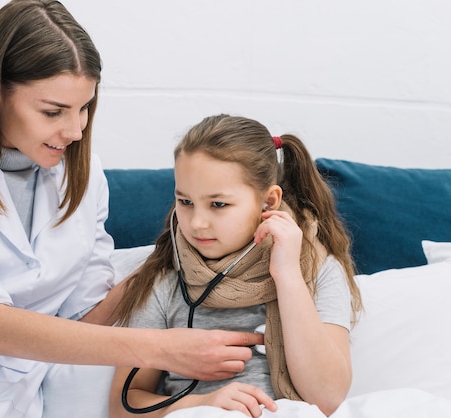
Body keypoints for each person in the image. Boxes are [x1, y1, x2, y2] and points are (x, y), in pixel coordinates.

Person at [0, 3, 263, 417]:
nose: (74, 130)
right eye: (53, 111)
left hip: (22, 383)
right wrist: (161, 347)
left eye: (84, 108)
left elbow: (82, 318)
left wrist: (169, 262)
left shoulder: (83, 172)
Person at [109, 114, 363, 418]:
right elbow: (124, 406)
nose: (197, 222)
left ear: (268, 202)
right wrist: (203, 403)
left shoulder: (317, 269)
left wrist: (288, 277)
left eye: (218, 204)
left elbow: (328, 397)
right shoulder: (163, 280)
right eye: (185, 202)